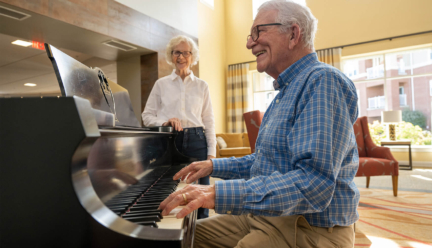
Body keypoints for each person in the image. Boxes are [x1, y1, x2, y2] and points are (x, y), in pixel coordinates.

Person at [159, 0, 360, 247]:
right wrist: (213, 166)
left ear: (293, 34)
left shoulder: (322, 82)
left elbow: (313, 185)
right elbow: (266, 162)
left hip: (307, 228)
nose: (249, 42)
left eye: (258, 31)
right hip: (269, 216)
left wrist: (216, 193)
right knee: (178, 238)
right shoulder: (285, 92)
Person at [142, 35, 216, 219]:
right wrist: (164, 123)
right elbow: (146, 117)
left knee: (199, 192)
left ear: (192, 56)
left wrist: (211, 153)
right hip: (169, 141)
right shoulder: (161, 85)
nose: (181, 57)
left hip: (197, 141)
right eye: (177, 53)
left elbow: (209, 120)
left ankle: (201, 230)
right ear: (171, 55)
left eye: (185, 53)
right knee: (168, 188)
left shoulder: (202, 86)